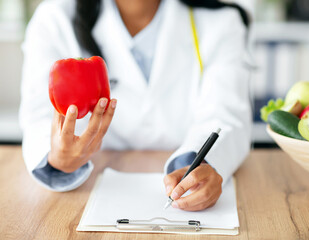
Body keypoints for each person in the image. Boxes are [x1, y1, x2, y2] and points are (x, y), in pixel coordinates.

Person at [19, 0, 252, 211]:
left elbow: (225, 114)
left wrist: (196, 165)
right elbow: (38, 116)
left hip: (179, 182)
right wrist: (58, 160)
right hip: (87, 192)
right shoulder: (53, 20)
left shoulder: (221, 22)